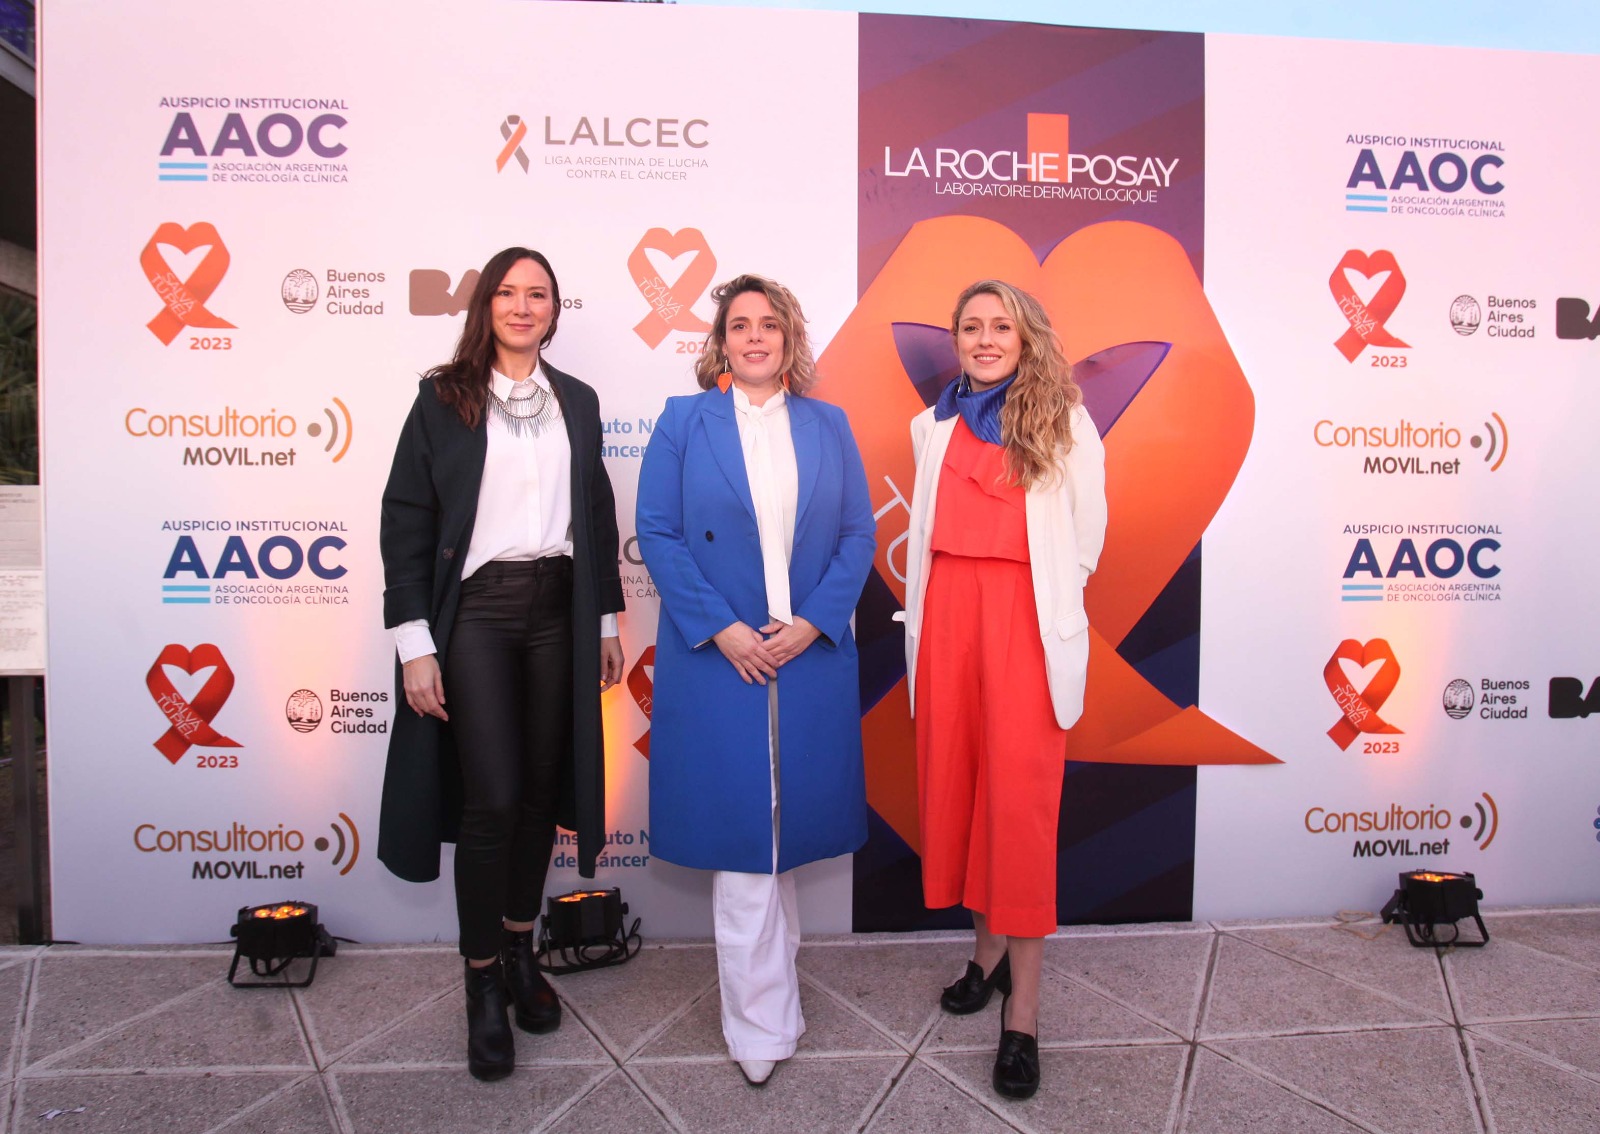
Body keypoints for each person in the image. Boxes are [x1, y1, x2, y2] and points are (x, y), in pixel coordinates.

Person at [377, 246, 625, 1082]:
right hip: (476, 615)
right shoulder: (443, 398)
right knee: (491, 799)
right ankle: (481, 980)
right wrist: (415, 642)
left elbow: (594, 512)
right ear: (486, 305)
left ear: (555, 309)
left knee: (539, 797)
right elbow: (406, 519)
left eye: (539, 294)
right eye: (509, 293)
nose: (524, 306)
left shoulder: (577, 400)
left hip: (560, 610)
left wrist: (605, 619)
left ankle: (522, 950)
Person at [636, 274, 875, 1086]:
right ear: (721, 342)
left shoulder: (828, 424)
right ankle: (759, 1026)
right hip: (720, 656)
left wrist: (813, 623)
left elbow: (858, 533)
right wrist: (724, 629)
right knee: (744, 841)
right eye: (740, 325)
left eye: (769, 324)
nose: (755, 337)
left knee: (784, 830)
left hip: (807, 654)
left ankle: (776, 1000)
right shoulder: (682, 421)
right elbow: (658, 533)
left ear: (789, 338)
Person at [900, 279, 1107, 1100]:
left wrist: (1045, 606)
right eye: (971, 327)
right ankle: (985, 955)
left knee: (1017, 808)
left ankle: (1023, 1012)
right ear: (955, 339)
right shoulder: (932, 426)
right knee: (960, 792)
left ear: (1027, 339)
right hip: (948, 622)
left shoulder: (1065, 421)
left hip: (1024, 623)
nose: (985, 340)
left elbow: (1085, 538)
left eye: (1001, 327)